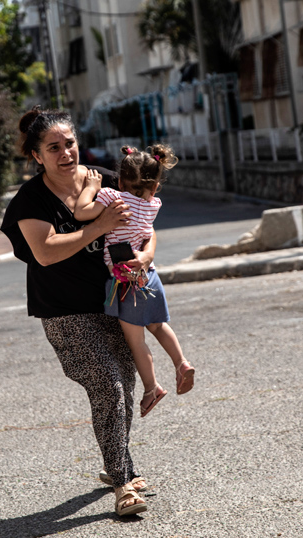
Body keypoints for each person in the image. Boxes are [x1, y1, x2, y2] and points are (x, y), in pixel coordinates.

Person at [0, 106, 156, 517]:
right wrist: (97, 228)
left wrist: (145, 256)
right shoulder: (29, 201)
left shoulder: (103, 179)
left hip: (116, 302)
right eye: (54, 148)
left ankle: (118, 464)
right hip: (64, 311)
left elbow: (144, 217)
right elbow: (46, 252)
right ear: (37, 156)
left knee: (124, 382)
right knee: (108, 383)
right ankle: (123, 482)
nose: (66, 153)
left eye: (70, 143)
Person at [74, 145, 195, 419]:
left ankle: (152, 388)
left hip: (124, 279)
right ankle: (181, 362)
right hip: (148, 274)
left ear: (119, 181)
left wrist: (91, 187)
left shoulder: (112, 197)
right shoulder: (154, 205)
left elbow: (81, 213)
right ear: (154, 186)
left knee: (136, 341)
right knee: (158, 325)